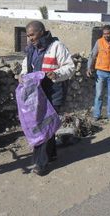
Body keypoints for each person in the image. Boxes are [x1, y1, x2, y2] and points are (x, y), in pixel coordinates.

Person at [19, 20, 75, 175]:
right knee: (46, 126)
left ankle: (40, 164)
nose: (30, 38)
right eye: (28, 35)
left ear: (41, 32)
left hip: (53, 93)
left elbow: (70, 67)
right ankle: (52, 154)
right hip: (37, 95)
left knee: (42, 127)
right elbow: (26, 67)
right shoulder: (31, 50)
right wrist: (22, 76)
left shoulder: (57, 47)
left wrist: (56, 74)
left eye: (32, 34)